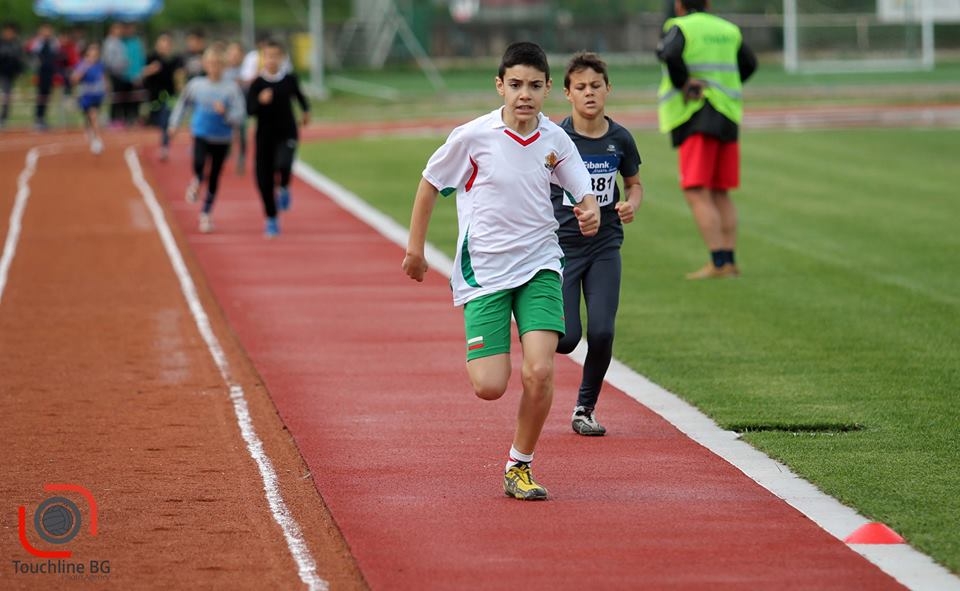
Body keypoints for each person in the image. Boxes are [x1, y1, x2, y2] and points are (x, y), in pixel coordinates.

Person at [402, 41, 600, 501]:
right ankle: (492, 353)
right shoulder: (473, 137)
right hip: (485, 273)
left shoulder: (555, 140)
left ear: (548, 89)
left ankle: (519, 465)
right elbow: (430, 183)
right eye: (515, 85)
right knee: (490, 386)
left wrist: (589, 210)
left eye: (534, 85)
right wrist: (415, 250)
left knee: (540, 371)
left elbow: (582, 191)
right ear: (500, 86)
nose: (524, 94)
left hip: (540, 265)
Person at [552, 52, 643, 437]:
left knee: (602, 332)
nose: (589, 93)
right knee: (568, 339)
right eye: (581, 87)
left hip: (604, 245)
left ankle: (584, 409)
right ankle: (529, 324)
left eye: (595, 86)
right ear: (567, 93)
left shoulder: (619, 138)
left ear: (608, 89)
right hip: (562, 247)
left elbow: (634, 184)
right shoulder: (555, 138)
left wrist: (630, 204)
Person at [657, 0, 757, 279]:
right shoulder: (728, 29)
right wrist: (724, 86)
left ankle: (718, 262)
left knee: (696, 191)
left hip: (698, 114)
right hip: (728, 114)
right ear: (708, 3)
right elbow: (749, 63)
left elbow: (668, 53)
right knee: (719, 191)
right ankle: (729, 260)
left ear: (679, 5)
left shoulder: (680, 26)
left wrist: (684, 84)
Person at [168, 46, 246, 234]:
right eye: (211, 63)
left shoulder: (231, 88)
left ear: (224, 66)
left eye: (218, 64)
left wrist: (225, 113)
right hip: (201, 133)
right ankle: (197, 180)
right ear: (205, 64)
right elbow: (183, 105)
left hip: (222, 137)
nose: (214, 67)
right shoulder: (196, 85)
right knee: (199, 163)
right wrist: (174, 124)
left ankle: (206, 213)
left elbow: (240, 115)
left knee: (214, 175)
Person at [245, 40, 309, 238]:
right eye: (268, 56)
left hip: (286, 132)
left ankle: (284, 186)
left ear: (282, 58)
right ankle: (271, 218)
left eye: (275, 56)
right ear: (263, 58)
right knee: (264, 181)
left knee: (284, 163)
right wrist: (260, 101)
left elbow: (300, 97)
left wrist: (306, 112)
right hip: (264, 137)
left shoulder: (289, 80)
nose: (271, 60)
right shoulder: (257, 83)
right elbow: (249, 110)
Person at [142, 32, 182, 161]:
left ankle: (164, 146)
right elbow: (141, 73)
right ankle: (163, 139)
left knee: (165, 120)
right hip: (154, 96)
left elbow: (179, 75)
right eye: (162, 42)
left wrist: (179, 83)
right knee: (156, 120)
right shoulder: (151, 58)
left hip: (168, 96)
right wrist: (150, 69)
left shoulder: (174, 60)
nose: (164, 46)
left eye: (167, 43)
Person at [71, 42, 106, 154]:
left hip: (97, 96)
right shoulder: (82, 64)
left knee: (93, 116)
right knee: (89, 117)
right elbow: (74, 79)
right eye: (91, 53)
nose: (93, 56)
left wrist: (105, 88)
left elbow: (103, 78)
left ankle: (97, 138)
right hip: (86, 96)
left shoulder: (100, 65)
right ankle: (93, 136)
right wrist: (84, 69)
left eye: (96, 53)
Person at [27, 23, 59, 130]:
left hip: (50, 72)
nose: (47, 33)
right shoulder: (37, 42)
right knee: (40, 95)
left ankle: (43, 118)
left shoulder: (53, 42)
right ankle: (38, 118)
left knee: (47, 95)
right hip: (40, 72)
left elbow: (57, 55)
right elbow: (32, 55)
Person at [223, 41, 248, 174]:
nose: (234, 57)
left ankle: (241, 158)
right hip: (225, 108)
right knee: (225, 132)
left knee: (241, 133)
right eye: (231, 54)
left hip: (240, 108)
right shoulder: (223, 71)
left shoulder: (245, 71)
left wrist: (243, 83)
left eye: (237, 54)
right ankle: (224, 153)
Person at [102, 22, 128, 128]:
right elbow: (107, 61)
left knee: (120, 97)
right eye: (117, 29)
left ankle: (119, 118)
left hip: (121, 74)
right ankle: (112, 119)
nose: (119, 31)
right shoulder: (109, 43)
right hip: (112, 73)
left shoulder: (120, 43)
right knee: (114, 97)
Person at [0, 22, 25, 129]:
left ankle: (3, 118)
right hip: (1, 72)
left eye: (11, 32)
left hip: (9, 74)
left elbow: (20, 60)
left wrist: (20, 72)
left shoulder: (16, 44)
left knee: (7, 95)